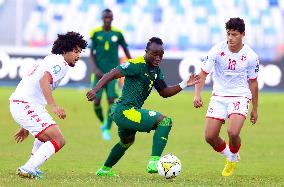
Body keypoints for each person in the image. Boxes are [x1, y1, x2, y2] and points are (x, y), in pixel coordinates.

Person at [86, 37, 200, 176]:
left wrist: (184, 84)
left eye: (161, 55)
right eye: (154, 54)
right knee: (165, 121)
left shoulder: (156, 70)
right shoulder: (136, 64)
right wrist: (95, 90)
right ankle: (153, 162)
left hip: (127, 112)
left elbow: (164, 92)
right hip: (125, 111)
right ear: (146, 51)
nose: (158, 58)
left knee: (126, 141)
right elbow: (111, 74)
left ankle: (104, 170)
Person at [9, 32, 87, 179]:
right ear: (65, 50)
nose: (78, 55)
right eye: (76, 51)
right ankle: (28, 168)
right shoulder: (60, 63)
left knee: (46, 135)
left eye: (80, 52)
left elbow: (34, 86)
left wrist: (25, 126)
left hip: (25, 104)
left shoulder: (50, 59)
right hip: (25, 104)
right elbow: (43, 81)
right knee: (58, 140)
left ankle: (32, 166)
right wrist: (54, 107)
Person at [193, 18, 259, 177]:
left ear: (243, 34)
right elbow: (202, 73)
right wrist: (197, 94)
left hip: (240, 96)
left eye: (234, 34)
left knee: (233, 132)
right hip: (219, 96)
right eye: (228, 34)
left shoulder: (251, 56)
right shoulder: (216, 50)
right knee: (209, 136)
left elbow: (253, 82)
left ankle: (233, 157)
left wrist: (255, 109)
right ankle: (230, 155)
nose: (230, 37)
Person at [89, 8, 131, 141]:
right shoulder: (95, 33)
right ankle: (102, 122)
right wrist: (95, 68)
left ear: (112, 19)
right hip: (98, 73)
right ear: (102, 18)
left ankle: (107, 128)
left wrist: (132, 64)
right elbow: (91, 53)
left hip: (113, 73)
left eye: (109, 17)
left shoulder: (118, 34)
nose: (107, 19)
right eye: (105, 17)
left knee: (111, 101)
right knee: (96, 101)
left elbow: (125, 50)